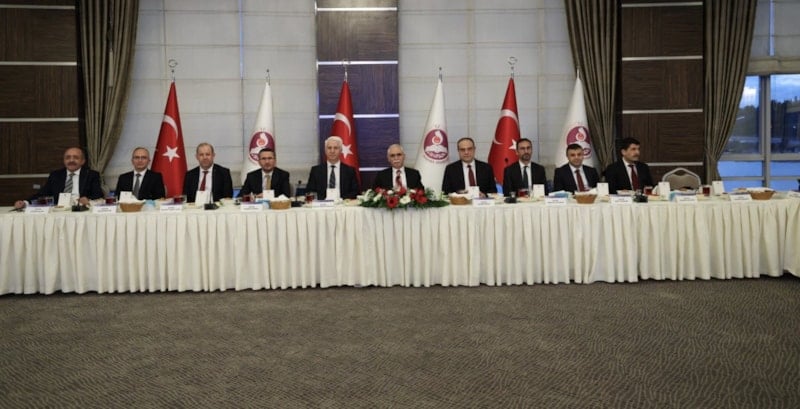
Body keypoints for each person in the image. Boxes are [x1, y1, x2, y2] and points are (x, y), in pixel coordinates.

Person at [14, 147, 103, 209]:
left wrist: (88, 200)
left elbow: (98, 195)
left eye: (76, 158)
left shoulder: (91, 175)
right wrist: (25, 203)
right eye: (68, 158)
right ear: (64, 161)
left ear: (82, 161)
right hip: (59, 211)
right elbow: (42, 194)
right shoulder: (55, 175)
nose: (71, 160)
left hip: (81, 210)